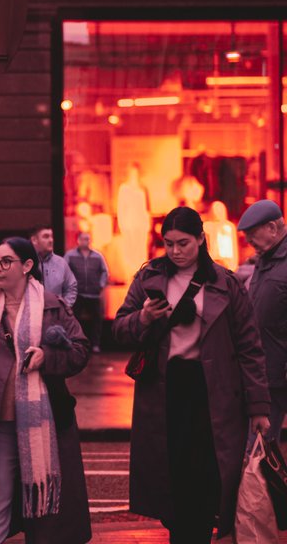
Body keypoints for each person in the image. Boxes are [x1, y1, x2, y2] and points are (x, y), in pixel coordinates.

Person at [113, 206, 270, 543]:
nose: (176, 251)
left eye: (183, 243)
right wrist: (142, 318)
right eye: (168, 244)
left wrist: (258, 407)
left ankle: (196, 531)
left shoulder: (226, 284)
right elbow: (119, 329)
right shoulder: (149, 277)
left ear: (201, 238)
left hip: (212, 391)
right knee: (171, 474)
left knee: (208, 476)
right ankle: (183, 533)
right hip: (165, 390)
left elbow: (249, 347)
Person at [0, 236, 92, 544]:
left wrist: (47, 357)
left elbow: (81, 351)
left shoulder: (52, 306)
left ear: (27, 266)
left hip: (46, 424)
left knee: (46, 516)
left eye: (5, 262)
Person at [238, 199, 287, 437]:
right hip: (264, 370)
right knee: (261, 445)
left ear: (272, 227)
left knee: (259, 446)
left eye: (252, 234)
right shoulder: (264, 260)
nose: (248, 242)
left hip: (280, 368)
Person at [64, 232, 108, 352]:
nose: (85, 241)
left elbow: (104, 271)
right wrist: (70, 286)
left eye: (87, 239)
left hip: (94, 294)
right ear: (78, 240)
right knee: (74, 320)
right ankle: (76, 344)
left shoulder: (98, 256)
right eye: (83, 239)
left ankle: (95, 345)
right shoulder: (70, 255)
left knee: (97, 321)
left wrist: (101, 284)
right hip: (78, 294)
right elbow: (64, 271)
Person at [31, 226, 77, 306]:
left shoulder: (61, 263)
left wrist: (64, 308)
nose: (51, 240)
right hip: (32, 314)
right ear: (34, 240)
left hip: (56, 315)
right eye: (46, 237)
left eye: (51, 236)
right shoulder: (25, 262)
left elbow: (71, 287)